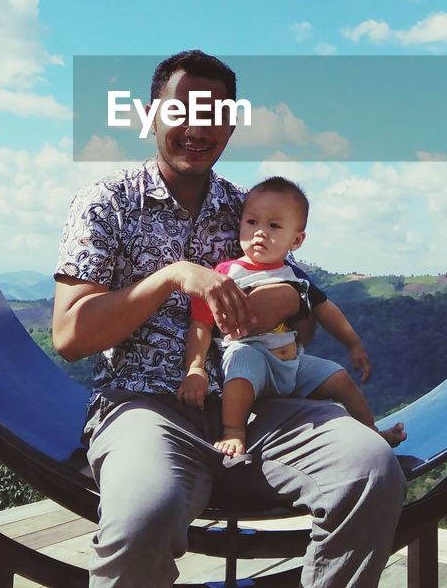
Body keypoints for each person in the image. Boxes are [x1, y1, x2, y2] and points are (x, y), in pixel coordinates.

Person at [53, 50, 405, 588]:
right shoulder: (108, 202)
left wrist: (287, 300)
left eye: (214, 112)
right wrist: (173, 277)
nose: (197, 126)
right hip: (148, 410)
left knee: (371, 470)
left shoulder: (253, 210)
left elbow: (304, 324)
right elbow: (70, 336)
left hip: (262, 406)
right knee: (141, 518)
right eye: (181, 109)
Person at [178, 175, 407, 458]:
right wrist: (196, 368)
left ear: (296, 240)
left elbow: (326, 309)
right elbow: (201, 324)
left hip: (292, 362)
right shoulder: (226, 274)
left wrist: (353, 343)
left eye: (273, 226)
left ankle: (372, 432)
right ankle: (234, 431)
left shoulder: (294, 275)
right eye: (252, 222)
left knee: (340, 378)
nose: (260, 233)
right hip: (251, 354)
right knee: (241, 370)